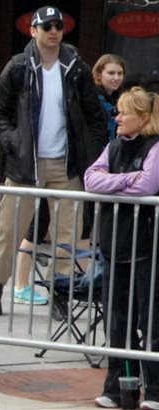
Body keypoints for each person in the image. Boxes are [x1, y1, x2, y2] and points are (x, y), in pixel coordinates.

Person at [0, 6, 106, 316]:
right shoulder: (18, 66)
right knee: (9, 232)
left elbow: (95, 117)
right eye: (47, 26)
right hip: (26, 164)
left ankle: (60, 295)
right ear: (33, 30)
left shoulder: (76, 68)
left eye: (59, 26)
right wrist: (14, 142)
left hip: (66, 165)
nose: (54, 31)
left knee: (68, 234)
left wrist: (88, 155)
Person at [85, 87, 159, 410]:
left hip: (146, 247)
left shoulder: (155, 146)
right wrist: (124, 180)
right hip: (114, 245)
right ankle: (117, 388)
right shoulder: (113, 146)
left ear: (142, 118)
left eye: (124, 113)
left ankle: (154, 390)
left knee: (151, 321)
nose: (118, 118)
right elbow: (90, 179)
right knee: (117, 321)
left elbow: (148, 185)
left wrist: (115, 180)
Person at [92, 54, 126, 143]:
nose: (116, 78)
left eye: (120, 73)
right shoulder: (91, 98)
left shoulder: (122, 99)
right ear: (99, 74)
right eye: (111, 73)